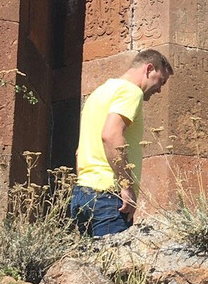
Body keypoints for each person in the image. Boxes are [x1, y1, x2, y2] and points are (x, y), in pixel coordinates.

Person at [69, 49, 173, 237]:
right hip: (108, 198)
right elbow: (110, 134)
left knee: (90, 265)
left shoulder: (97, 94)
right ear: (149, 69)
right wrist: (126, 187)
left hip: (82, 194)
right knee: (113, 265)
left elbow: (80, 151)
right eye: (161, 81)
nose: (159, 90)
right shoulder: (131, 91)